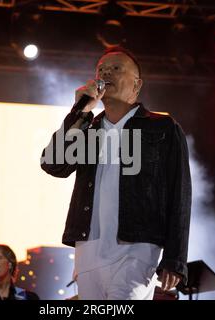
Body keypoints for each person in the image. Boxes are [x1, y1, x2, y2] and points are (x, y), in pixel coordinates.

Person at [41, 46, 192, 300]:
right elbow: (53, 164)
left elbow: (180, 194)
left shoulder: (162, 128)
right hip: (88, 250)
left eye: (116, 68)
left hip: (137, 248)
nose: (106, 73)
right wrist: (79, 113)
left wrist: (176, 258)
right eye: (101, 69)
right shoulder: (88, 128)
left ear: (136, 85)